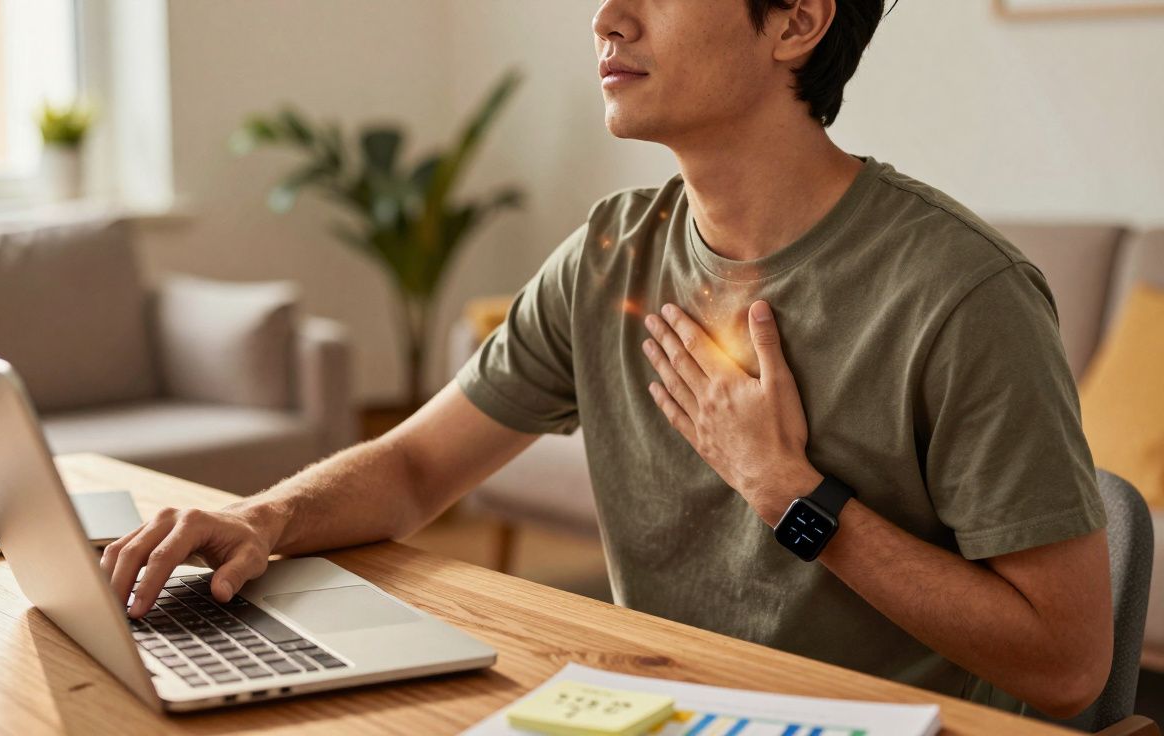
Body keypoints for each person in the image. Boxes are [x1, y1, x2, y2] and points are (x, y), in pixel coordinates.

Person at [102, 0, 1112, 719]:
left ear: (796, 21)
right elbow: (414, 469)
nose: (605, 18)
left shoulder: (960, 294)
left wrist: (792, 494)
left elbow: (1067, 666)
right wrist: (258, 517)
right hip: (664, 707)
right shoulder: (608, 255)